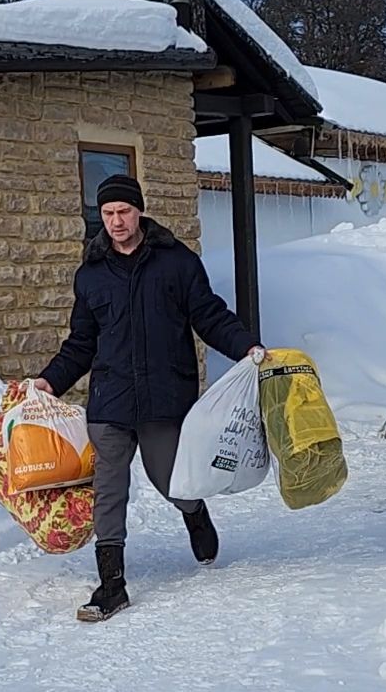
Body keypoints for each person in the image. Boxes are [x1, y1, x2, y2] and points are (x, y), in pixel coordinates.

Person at [33, 173, 263, 622]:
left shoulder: (176, 263)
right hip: (111, 400)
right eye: (107, 213)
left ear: (139, 211)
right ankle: (112, 583)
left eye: (123, 211)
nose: (116, 221)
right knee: (109, 487)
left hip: (164, 396)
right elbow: (81, 343)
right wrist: (50, 381)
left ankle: (194, 513)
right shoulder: (92, 274)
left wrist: (247, 347)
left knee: (170, 480)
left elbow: (209, 316)